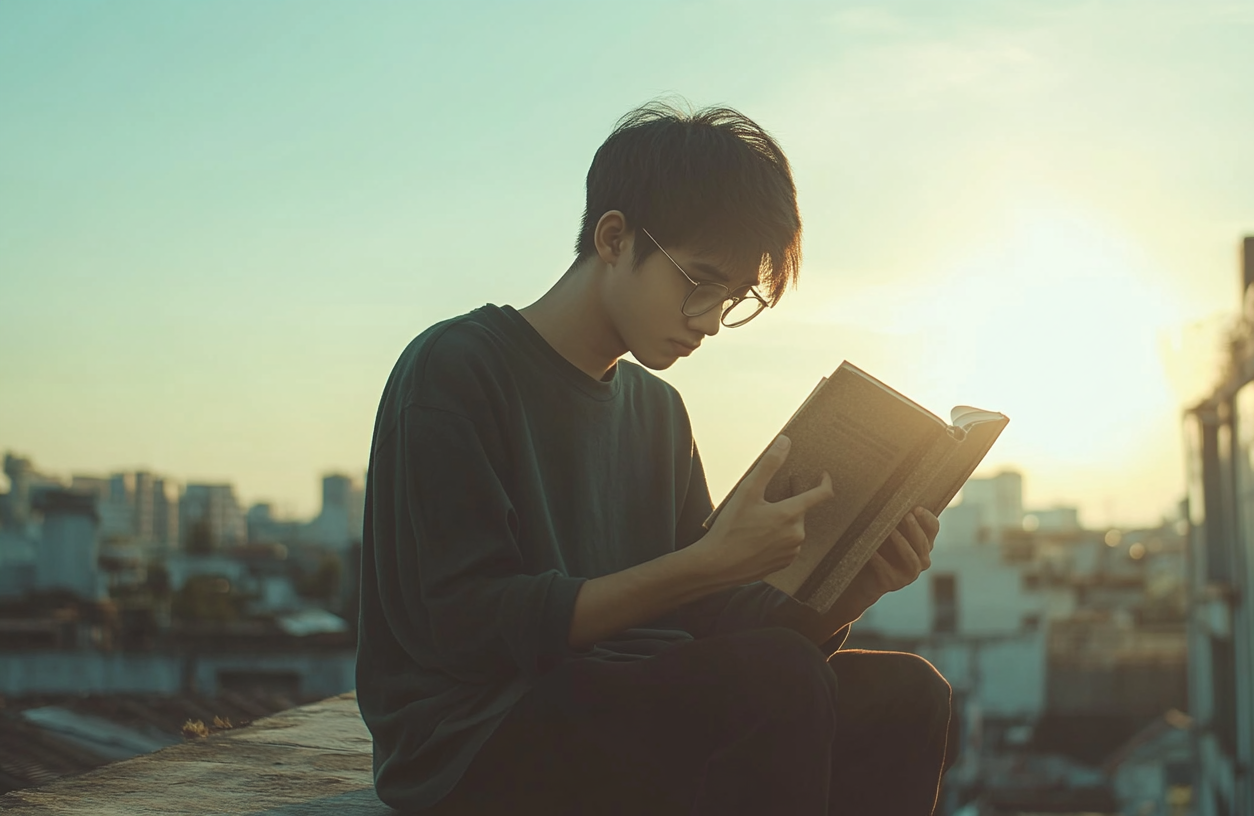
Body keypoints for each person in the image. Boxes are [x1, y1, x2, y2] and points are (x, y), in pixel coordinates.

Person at [356, 102, 953, 816]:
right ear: (614, 237)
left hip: (622, 699)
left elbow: (704, 624)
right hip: (474, 736)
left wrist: (857, 580)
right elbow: (463, 625)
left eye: (731, 299)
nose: (709, 321)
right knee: (779, 677)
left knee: (909, 694)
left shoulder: (658, 412)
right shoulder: (456, 369)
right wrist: (704, 563)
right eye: (699, 283)